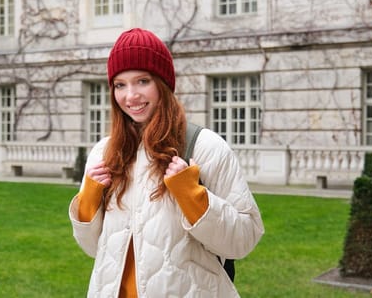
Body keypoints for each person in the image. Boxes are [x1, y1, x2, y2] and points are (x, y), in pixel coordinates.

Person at [69, 28, 264, 297]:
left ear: (162, 83)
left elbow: (244, 239)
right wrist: (89, 200)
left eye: (142, 81)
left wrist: (193, 196)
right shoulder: (104, 153)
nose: (130, 96)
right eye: (120, 85)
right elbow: (94, 249)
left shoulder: (204, 146)